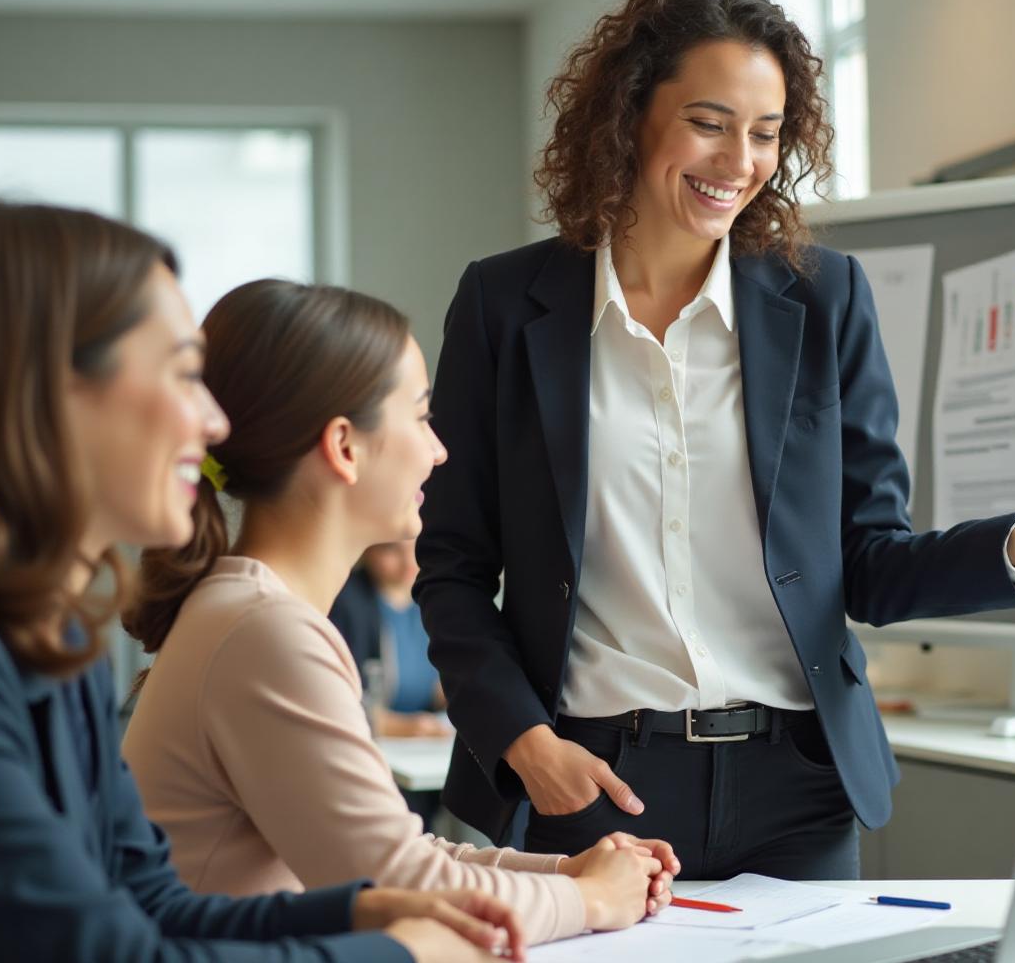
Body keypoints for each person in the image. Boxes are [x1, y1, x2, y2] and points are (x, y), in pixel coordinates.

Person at [416, 0, 1015, 878]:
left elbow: (869, 564)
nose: (739, 162)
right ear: (630, 114)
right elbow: (452, 568)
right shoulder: (504, 304)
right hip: (595, 784)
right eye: (708, 122)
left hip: (796, 791)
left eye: (766, 133)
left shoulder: (825, 298)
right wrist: (526, 743)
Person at [0, 203, 513, 962]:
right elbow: (92, 955)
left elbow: (146, 900)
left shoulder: (45, 635)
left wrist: (358, 911)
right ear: (42, 395)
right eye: (181, 373)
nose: (213, 424)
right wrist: (392, 950)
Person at [122, 279, 675, 948]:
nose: (438, 450)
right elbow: (404, 886)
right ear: (344, 446)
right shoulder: (263, 632)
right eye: (419, 416)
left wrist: (569, 872)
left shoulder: (252, 614)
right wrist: (587, 899)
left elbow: (400, 858)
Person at [329, 541, 450, 739]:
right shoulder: (345, 603)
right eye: (392, 549)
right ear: (366, 549)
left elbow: (438, 686)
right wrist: (398, 727)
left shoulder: (431, 600)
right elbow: (335, 700)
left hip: (428, 741)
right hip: (371, 741)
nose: (409, 561)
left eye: (417, 546)